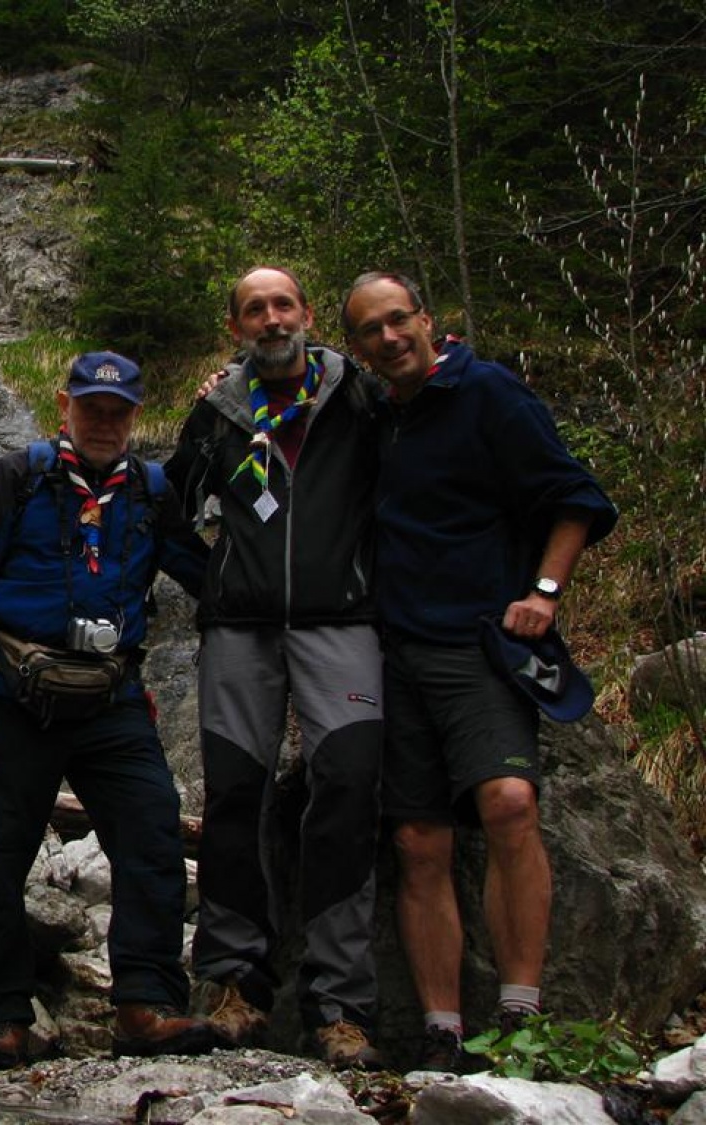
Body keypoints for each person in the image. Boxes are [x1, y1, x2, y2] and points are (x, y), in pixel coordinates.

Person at [339, 271, 618, 1072]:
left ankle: (520, 1013)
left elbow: (575, 495)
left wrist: (546, 591)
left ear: (428, 320)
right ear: (356, 348)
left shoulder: (488, 391)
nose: (390, 338)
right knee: (420, 839)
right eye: (371, 331)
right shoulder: (373, 414)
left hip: (477, 643)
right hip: (391, 648)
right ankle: (441, 1028)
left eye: (400, 321)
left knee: (508, 802)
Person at [0, 351, 215, 1071]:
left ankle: (146, 1003)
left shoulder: (151, 491)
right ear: (65, 405)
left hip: (111, 701)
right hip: (9, 699)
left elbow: (208, 576)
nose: (105, 424)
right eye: (92, 409)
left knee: (152, 835)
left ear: (136, 417)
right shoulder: (17, 478)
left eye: (119, 413)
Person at [163, 267, 386, 1069]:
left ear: (308, 314)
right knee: (235, 798)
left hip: (342, 621)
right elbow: (170, 509)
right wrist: (219, 581)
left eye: (281, 304)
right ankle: (234, 984)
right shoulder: (218, 410)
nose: (269, 318)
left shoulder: (357, 396)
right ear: (235, 328)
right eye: (253, 309)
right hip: (242, 631)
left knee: (350, 786)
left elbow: (423, 463)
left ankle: (340, 1004)